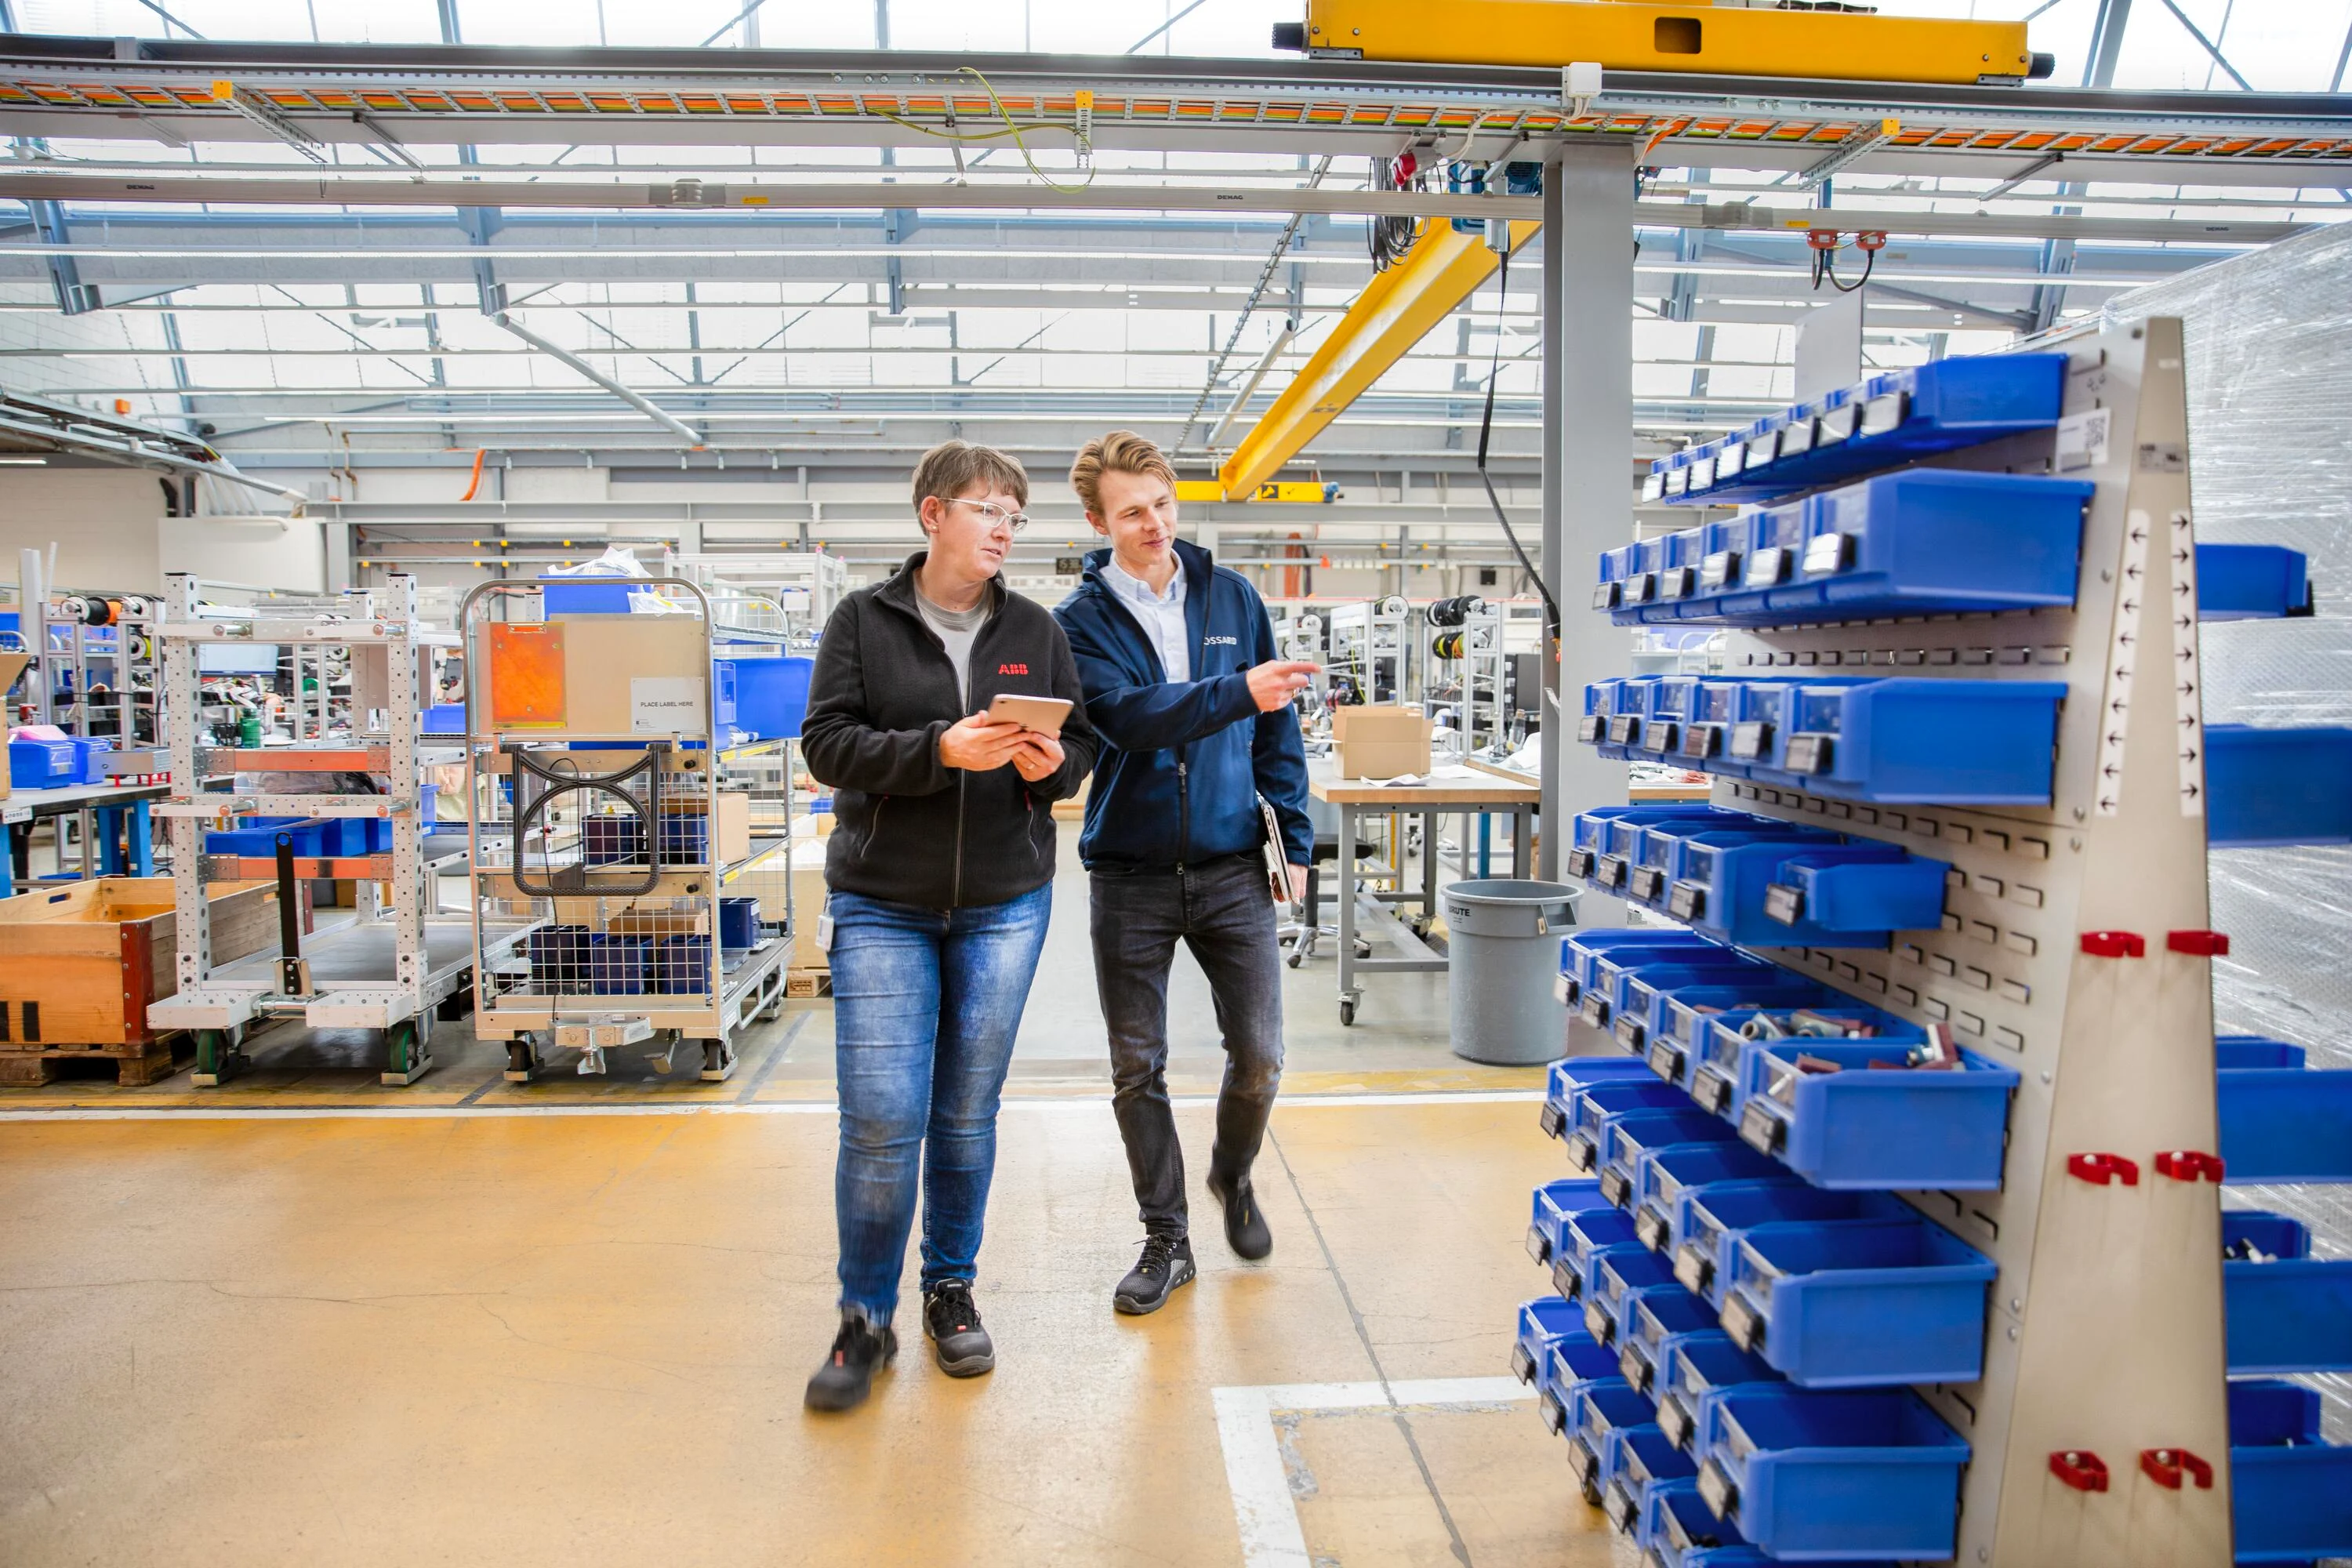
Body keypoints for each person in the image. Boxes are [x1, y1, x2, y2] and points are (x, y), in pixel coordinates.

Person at [798, 439, 1097, 1411]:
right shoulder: (862, 620)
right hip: (883, 897)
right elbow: (827, 745)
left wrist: (1047, 763)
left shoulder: (1038, 629)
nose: (1005, 528)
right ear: (932, 515)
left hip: (1005, 902)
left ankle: (949, 1288)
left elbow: (1080, 749)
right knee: (885, 1114)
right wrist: (942, 750)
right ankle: (864, 1315)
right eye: (986, 509)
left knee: (966, 1112)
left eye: (1015, 513)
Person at [1053, 430, 1317, 1316]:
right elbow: (1131, 717)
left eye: (1163, 503)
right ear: (1099, 520)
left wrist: (1296, 844)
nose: (1155, 523)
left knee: (1263, 1057)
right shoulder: (1077, 623)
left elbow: (1279, 735)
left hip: (1233, 865)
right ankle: (1167, 1238)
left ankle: (1231, 1172)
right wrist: (1241, 690)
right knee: (1139, 1065)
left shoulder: (1234, 597)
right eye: (1133, 511)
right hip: (1127, 873)